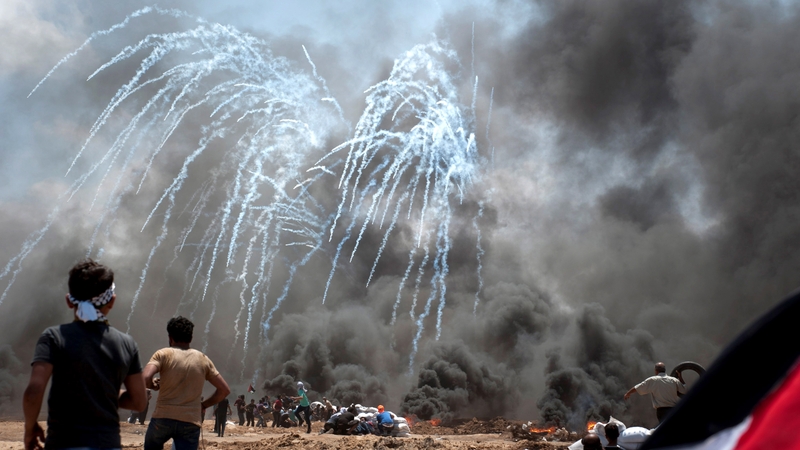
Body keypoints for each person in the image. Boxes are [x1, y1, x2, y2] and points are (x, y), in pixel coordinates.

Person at [22, 259, 147, 450]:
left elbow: (33, 392)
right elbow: (138, 402)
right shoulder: (126, 344)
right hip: (107, 444)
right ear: (112, 301)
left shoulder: (54, 337)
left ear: (68, 300)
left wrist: (29, 429)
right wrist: (104, 393)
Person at [142, 316, 231, 450]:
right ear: (190, 338)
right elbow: (224, 390)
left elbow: (144, 379)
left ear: (170, 337)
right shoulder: (203, 359)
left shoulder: (163, 354)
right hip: (190, 421)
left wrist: (153, 385)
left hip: (162, 418)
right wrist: (204, 405)